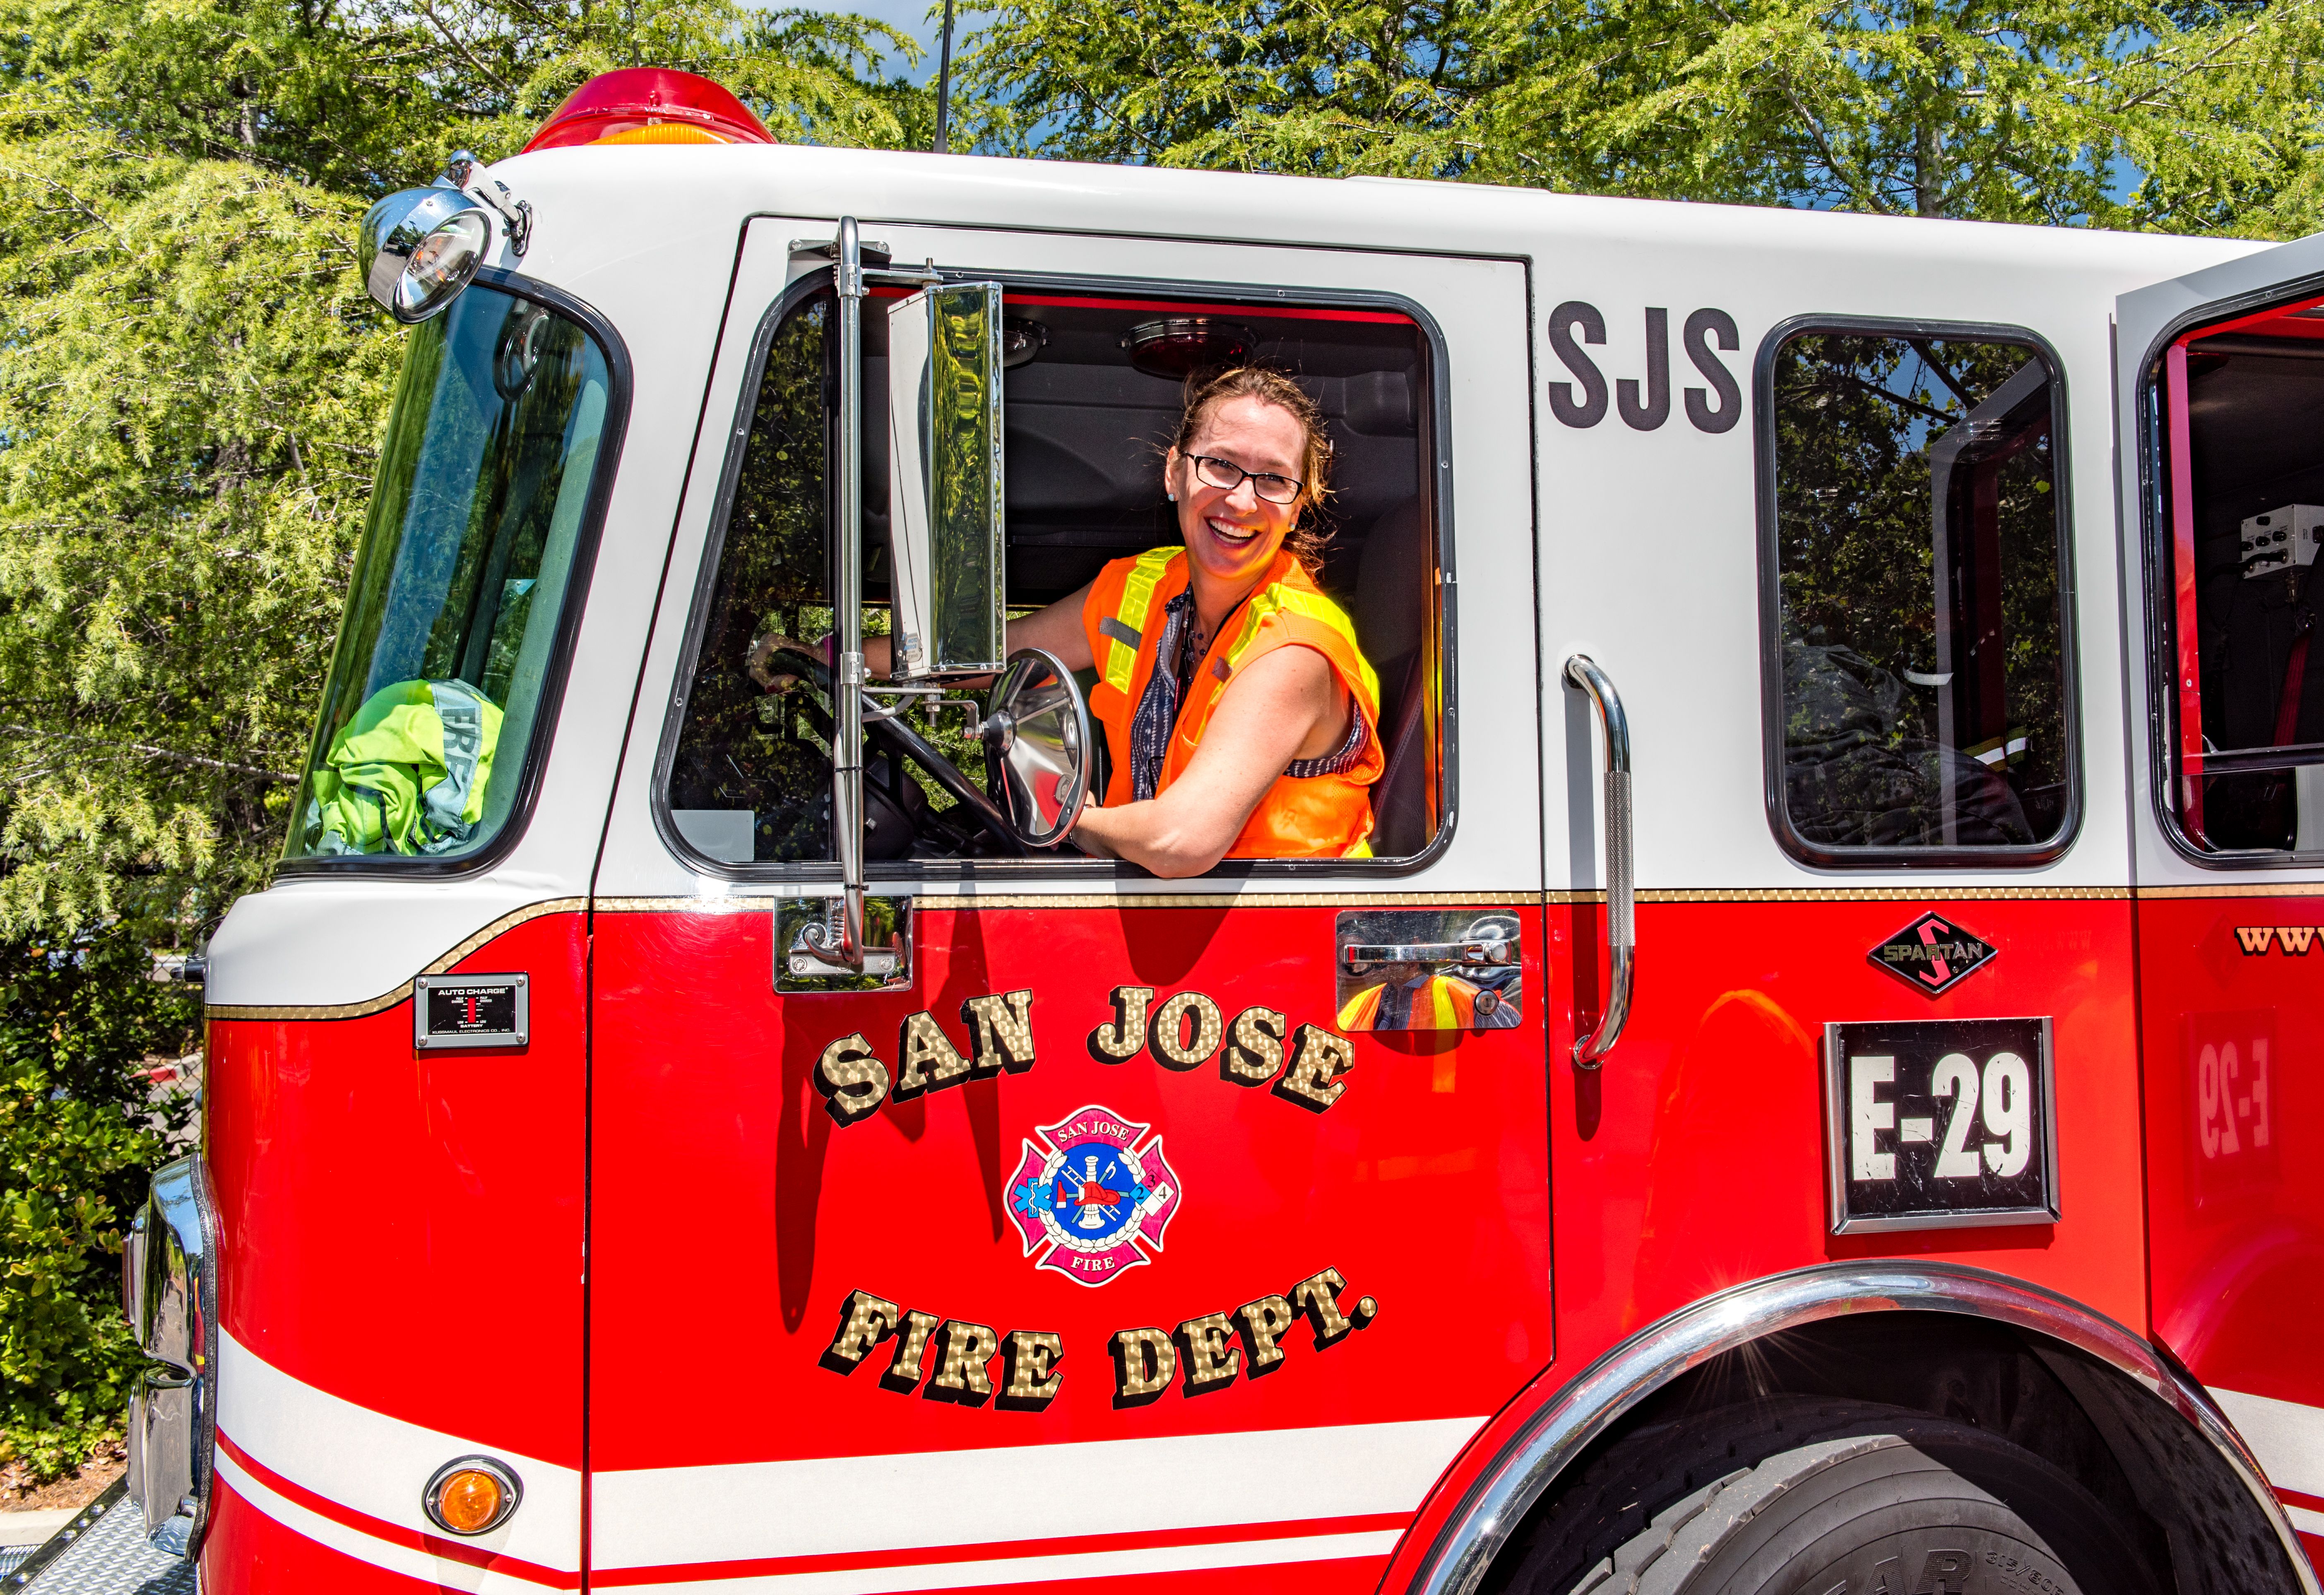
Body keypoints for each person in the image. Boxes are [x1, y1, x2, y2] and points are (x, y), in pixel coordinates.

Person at [837, 366, 1382, 876]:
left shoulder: (1295, 649)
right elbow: (1001, 651)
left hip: (1287, 939)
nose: (1241, 499)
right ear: (1174, 472)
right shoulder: (1137, 587)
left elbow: (1179, 841)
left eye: (1273, 479)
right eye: (1219, 465)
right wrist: (841, 659)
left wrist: (1065, 818)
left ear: (1298, 504)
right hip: (1167, 916)